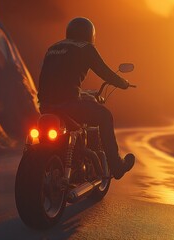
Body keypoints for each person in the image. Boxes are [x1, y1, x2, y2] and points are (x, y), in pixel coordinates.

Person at [37, 17, 134, 180]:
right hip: (68, 104)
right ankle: (116, 166)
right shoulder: (86, 48)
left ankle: (72, 157)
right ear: (90, 34)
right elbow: (105, 72)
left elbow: (47, 76)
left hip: (45, 105)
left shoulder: (53, 48)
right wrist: (123, 83)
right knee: (105, 116)